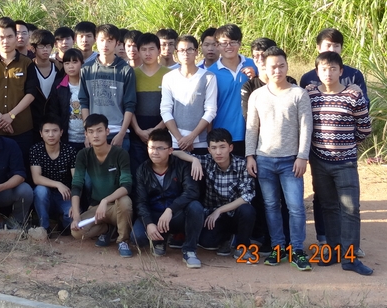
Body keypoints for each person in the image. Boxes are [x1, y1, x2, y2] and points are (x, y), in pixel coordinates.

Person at [245, 46, 313, 271]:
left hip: (291, 161)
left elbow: (306, 128)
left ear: (287, 66)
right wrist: (250, 156)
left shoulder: (298, 94)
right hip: (264, 160)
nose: (277, 71)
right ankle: (278, 247)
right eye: (273, 67)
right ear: (264, 67)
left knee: (296, 207)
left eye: (281, 66)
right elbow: (252, 128)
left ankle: (297, 249)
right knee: (271, 206)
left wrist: (302, 156)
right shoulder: (257, 95)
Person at [306, 51, 373, 275]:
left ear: (341, 71)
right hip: (319, 161)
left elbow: (365, 128)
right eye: (324, 69)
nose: (328, 73)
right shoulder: (310, 94)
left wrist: (346, 144)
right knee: (329, 207)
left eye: (333, 68)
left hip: (345, 162)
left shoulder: (353, 96)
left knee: (351, 209)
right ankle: (334, 252)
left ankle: (350, 258)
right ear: (317, 72)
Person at [171, 128, 257, 262]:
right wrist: (194, 160)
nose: (218, 152)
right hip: (214, 216)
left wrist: (220, 210)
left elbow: (247, 196)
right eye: (214, 148)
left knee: (247, 210)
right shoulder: (207, 161)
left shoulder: (242, 165)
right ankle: (227, 239)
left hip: (234, 213)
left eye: (222, 147)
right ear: (209, 150)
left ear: (230, 148)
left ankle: (242, 247)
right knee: (206, 242)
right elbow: (175, 153)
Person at [131, 128, 204, 268]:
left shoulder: (182, 165)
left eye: (160, 148)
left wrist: (171, 209)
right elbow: (140, 201)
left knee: (196, 207)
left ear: (170, 150)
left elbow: (191, 192)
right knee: (137, 238)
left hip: (176, 215)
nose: (154, 152)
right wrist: (148, 223)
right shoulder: (142, 170)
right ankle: (160, 241)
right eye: (151, 147)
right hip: (155, 214)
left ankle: (189, 250)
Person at [70, 114, 134, 258]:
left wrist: (105, 200)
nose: (95, 135)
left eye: (99, 130)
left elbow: (127, 186)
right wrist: (76, 216)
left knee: (125, 201)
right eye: (91, 131)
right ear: (86, 134)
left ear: (107, 131)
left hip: (115, 207)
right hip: (95, 208)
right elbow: (77, 185)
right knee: (76, 232)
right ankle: (106, 230)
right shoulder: (83, 155)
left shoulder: (120, 153)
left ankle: (123, 241)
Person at [0, 17, 40, 159]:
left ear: (15, 38)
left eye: (9, 37)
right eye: (1, 37)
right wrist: (1, 117)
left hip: (22, 128)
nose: (5, 41)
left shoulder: (27, 63)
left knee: (22, 166)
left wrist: (11, 115)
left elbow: (31, 93)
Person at [78, 24, 136, 151]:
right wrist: (87, 133)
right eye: (102, 40)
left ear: (117, 43)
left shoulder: (126, 70)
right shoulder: (86, 69)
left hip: (118, 132)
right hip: (94, 133)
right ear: (96, 41)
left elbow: (130, 104)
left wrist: (122, 133)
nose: (105, 44)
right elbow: (84, 102)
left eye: (110, 41)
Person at [160, 35, 218, 155]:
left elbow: (210, 110)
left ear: (196, 52)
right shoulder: (169, 78)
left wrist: (191, 137)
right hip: (175, 142)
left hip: (200, 142)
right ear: (176, 53)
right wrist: (180, 139)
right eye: (181, 50)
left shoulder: (209, 77)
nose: (185, 53)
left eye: (190, 49)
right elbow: (165, 110)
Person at [208, 24, 256, 151]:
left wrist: (256, 78)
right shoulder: (210, 73)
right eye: (224, 43)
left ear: (240, 43)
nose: (228, 46)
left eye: (233, 42)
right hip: (222, 137)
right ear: (217, 45)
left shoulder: (253, 65)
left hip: (251, 133)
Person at [127, 32, 169, 175]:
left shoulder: (169, 75)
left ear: (159, 50)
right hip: (137, 135)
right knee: (138, 173)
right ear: (138, 52)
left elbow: (173, 107)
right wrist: (139, 131)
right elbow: (128, 105)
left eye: (151, 49)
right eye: (143, 49)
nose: (147, 53)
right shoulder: (132, 74)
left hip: (162, 135)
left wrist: (157, 129)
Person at [30, 117, 77, 236]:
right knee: (40, 190)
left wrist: (75, 204)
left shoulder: (70, 151)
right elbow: (36, 178)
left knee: (73, 217)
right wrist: (58, 184)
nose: (51, 135)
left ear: (61, 132)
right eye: (46, 131)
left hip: (65, 195)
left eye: (55, 131)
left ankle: (63, 225)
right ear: (41, 133)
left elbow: (76, 179)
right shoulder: (36, 150)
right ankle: (44, 228)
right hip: (46, 195)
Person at [300, 28, 368, 105]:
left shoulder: (354, 75)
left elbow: (365, 105)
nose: (332, 49)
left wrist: (360, 94)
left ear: (341, 48)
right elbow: (302, 106)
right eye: (328, 45)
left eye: (336, 46)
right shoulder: (308, 78)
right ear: (318, 48)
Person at [241, 38, 298, 121]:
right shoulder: (249, 86)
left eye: (263, 55)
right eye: (256, 56)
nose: (260, 59)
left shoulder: (289, 82)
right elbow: (249, 117)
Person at [46, 49, 86, 152]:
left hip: (88, 138)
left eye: (75, 62)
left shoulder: (89, 84)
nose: (71, 66)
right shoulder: (58, 85)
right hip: (67, 138)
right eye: (67, 63)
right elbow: (53, 111)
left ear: (82, 63)